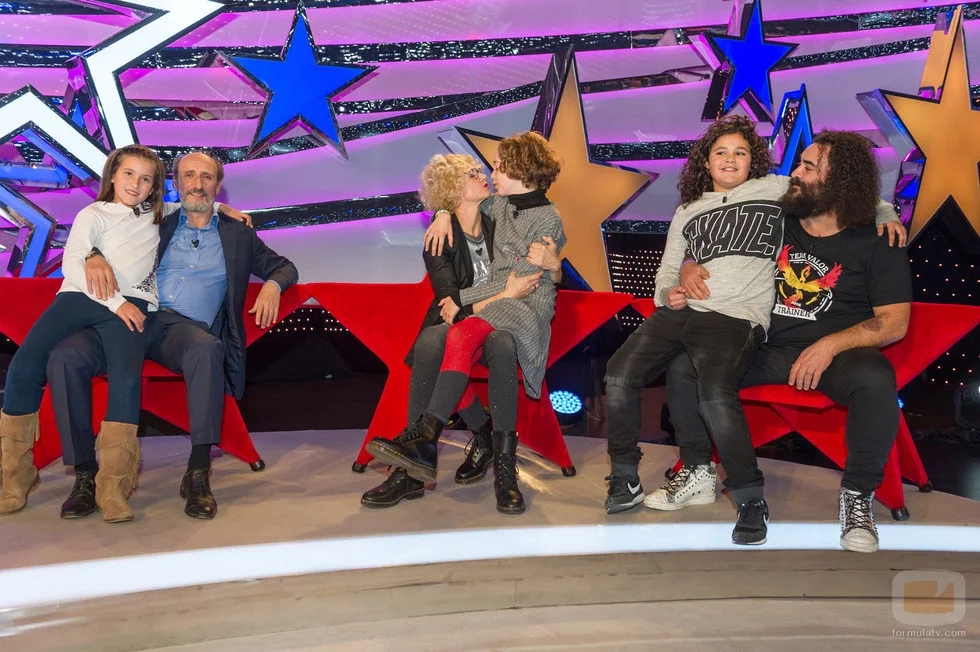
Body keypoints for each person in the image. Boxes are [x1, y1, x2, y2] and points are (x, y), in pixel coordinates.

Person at [602, 117, 905, 540]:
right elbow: (707, 243)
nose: (795, 172)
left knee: (876, 377)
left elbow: (894, 323)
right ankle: (695, 470)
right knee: (682, 368)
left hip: (825, 352)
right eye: (798, 164)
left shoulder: (875, 239)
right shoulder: (784, 214)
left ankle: (856, 498)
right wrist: (685, 268)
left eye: (808, 166)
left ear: (837, 179)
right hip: (766, 345)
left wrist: (829, 345)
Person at [46, 150, 298, 522]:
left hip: (180, 331)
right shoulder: (153, 218)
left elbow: (284, 266)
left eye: (207, 177)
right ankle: (85, 474)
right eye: (189, 176)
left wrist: (273, 286)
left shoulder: (238, 235)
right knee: (66, 356)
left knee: (207, 350)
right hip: (127, 317)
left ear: (218, 185)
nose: (198, 184)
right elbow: (102, 225)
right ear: (175, 184)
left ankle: (197, 472)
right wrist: (93, 254)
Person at [367, 131, 566, 514]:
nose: (487, 175)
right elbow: (452, 303)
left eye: (493, 168)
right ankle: (414, 468)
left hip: (513, 315)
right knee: (433, 340)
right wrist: (442, 213)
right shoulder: (452, 230)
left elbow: (525, 281)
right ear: (455, 191)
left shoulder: (503, 212)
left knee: (497, 342)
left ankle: (469, 457)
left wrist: (551, 268)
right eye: (475, 173)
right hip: (476, 316)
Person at [0, 145, 166, 516]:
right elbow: (72, 263)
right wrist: (114, 301)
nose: (135, 184)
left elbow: (199, 208)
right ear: (113, 175)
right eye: (128, 173)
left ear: (154, 187)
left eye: (145, 179)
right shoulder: (92, 213)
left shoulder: (157, 216)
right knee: (23, 367)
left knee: (125, 381)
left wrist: (225, 210)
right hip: (82, 298)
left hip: (132, 303)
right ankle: (15, 477)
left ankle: (113, 487)